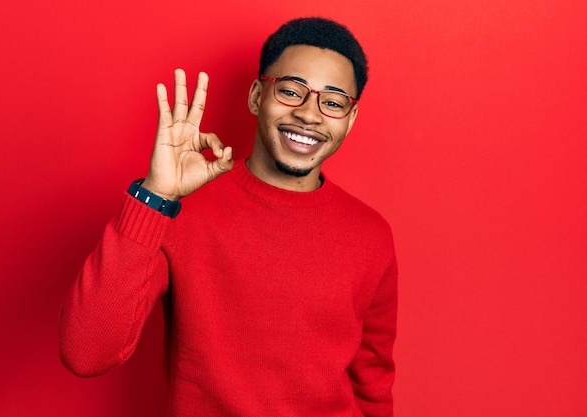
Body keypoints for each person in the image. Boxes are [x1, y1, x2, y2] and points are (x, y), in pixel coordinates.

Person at [59, 17, 397, 417]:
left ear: (350, 119)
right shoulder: (183, 208)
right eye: (291, 91)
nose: (310, 114)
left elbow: (372, 386)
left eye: (334, 102)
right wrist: (155, 195)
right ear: (257, 96)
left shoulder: (371, 235)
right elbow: (86, 353)